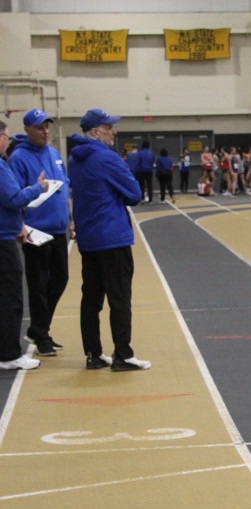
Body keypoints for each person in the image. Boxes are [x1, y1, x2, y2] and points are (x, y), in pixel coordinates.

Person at [68, 109, 151, 371]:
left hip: (89, 238)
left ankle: (93, 354)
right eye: (108, 127)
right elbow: (134, 193)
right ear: (95, 132)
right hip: (113, 237)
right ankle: (123, 355)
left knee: (91, 299)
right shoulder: (107, 157)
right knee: (119, 297)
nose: (113, 131)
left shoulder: (74, 158)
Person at [7, 109, 72, 358]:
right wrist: (20, 225)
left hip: (58, 228)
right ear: (27, 130)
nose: (45, 132)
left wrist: (71, 219)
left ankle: (38, 329)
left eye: (47, 126)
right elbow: (14, 195)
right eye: (39, 127)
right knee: (38, 284)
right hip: (36, 229)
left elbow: (65, 187)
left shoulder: (54, 154)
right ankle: (41, 334)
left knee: (61, 278)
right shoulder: (19, 158)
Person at [0, 120, 49, 371]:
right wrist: (37, 188)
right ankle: (9, 354)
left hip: (6, 232)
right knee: (10, 297)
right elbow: (13, 198)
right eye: (7, 137)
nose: (9, 142)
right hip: (2, 241)